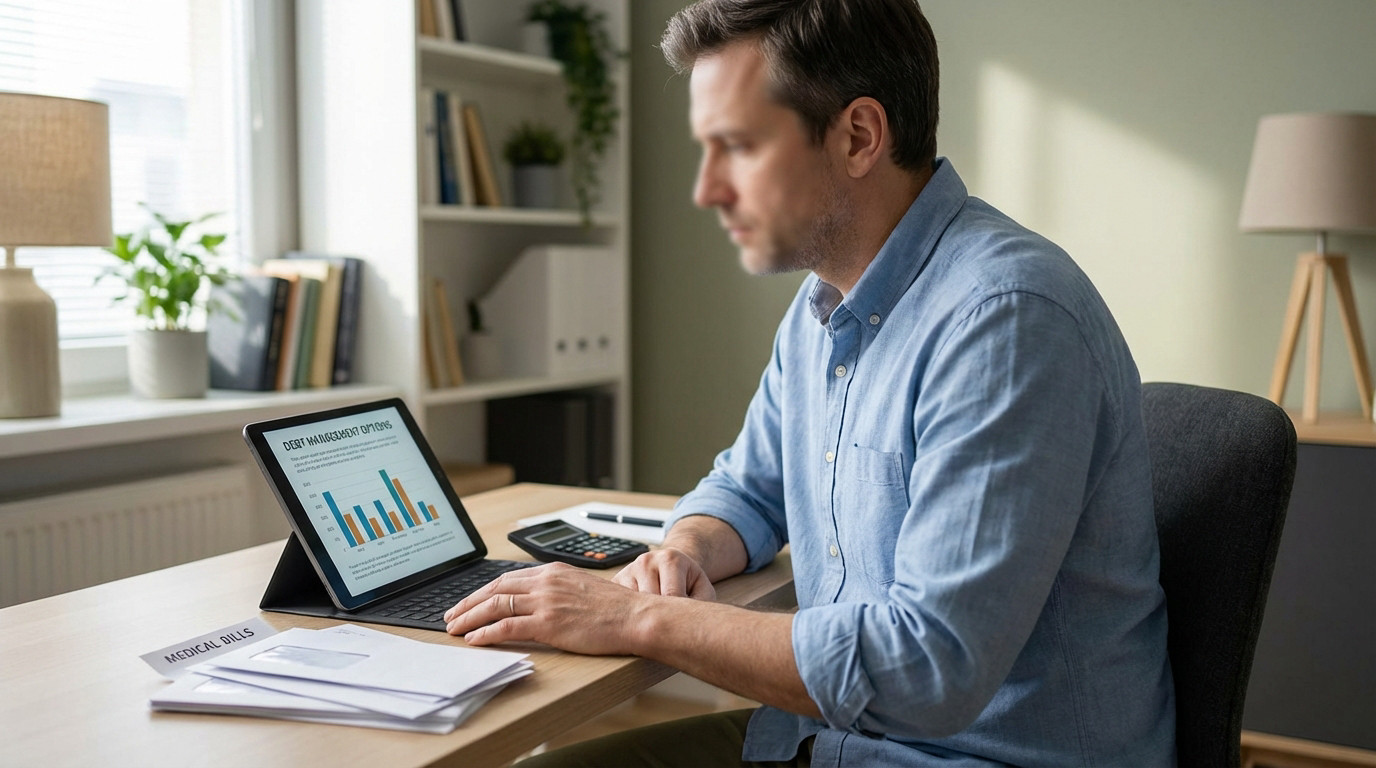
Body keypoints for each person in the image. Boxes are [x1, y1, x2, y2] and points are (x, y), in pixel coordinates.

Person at [444, 0, 1176, 764]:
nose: (707, 190)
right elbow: (747, 490)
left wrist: (634, 620)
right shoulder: (822, 307)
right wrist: (686, 549)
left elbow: (928, 669)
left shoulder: (1006, 321)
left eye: (739, 147)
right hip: (832, 740)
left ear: (858, 136)